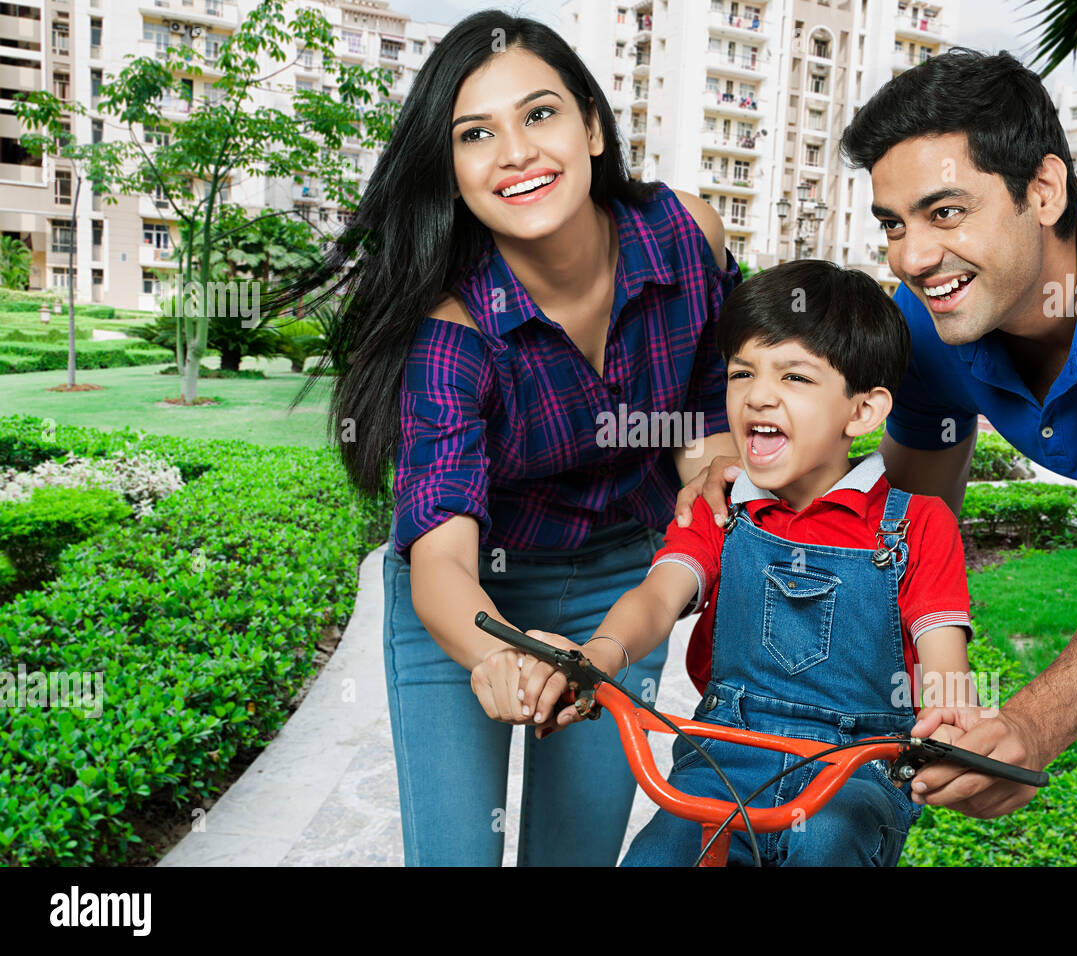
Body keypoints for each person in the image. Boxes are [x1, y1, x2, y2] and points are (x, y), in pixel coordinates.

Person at [683, 48, 1077, 865]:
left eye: (945, 213)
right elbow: (883, 543)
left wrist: (1031, 723)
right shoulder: (936, 323)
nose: (911, 257)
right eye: (894, 224)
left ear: (1042, 191)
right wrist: (748, 458)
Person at [272, 12, 741, 866]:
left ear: (592, 126)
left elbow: (709, 409)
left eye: (539, 114)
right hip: (471, 595)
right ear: (451, 174)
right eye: (475, 134)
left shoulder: (686, 235)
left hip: (618, 581)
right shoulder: (449, 331)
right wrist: (498, 656)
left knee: (576, 855)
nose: (515, 152)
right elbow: (442, 557)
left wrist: (713, 474)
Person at [520, 259, 979, 866]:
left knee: (825, 845)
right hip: (723, 755)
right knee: (658, 854)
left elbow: (943, 654)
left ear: (863, 412)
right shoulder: (722, 510)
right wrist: (598, 657)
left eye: (794, 376)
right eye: (742, 373)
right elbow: (658, 596)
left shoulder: (916, 525)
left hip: (856, 771)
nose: (759, 395)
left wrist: (948, 716)